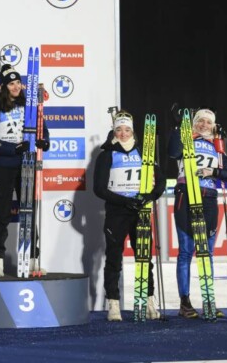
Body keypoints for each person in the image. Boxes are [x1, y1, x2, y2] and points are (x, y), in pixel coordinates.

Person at [93, 110, 165, 321]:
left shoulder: (144, 153)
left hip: (141, 211)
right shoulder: (107, 155)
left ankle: (148, 301)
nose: (123, 134)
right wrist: (124, 201)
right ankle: (113, 304)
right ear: (114, 131)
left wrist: (149, 197)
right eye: (119, 130)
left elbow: (160, 180)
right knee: (114, 259)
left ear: (133, 132)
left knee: (144, 258)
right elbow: (99, 188)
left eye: (127, 130)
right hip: (117, 212)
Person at [0, 63, 50, 277]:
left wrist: (44, 142)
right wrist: (13, 148)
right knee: (2, 215)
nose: (16, 87)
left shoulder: (29, 107)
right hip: (3, 167)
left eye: (18, 82)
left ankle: (32, 259)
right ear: (3, 86)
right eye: (11, 83)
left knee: (28, 213)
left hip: (26, 165)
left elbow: (42, 130)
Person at [168, 107, 227, 318]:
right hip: (186, 194)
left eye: (208, 122)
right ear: (194, 122)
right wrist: (180, 127)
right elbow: (173, 152)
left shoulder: (217, 144)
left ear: (213, 125)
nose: (204, 125)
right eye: (200, 121)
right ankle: (185, 303)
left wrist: (215, 171)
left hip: (209, 197)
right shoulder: (186, 137)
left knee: (207, 252)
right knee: (186, 251)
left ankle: (209, 301)